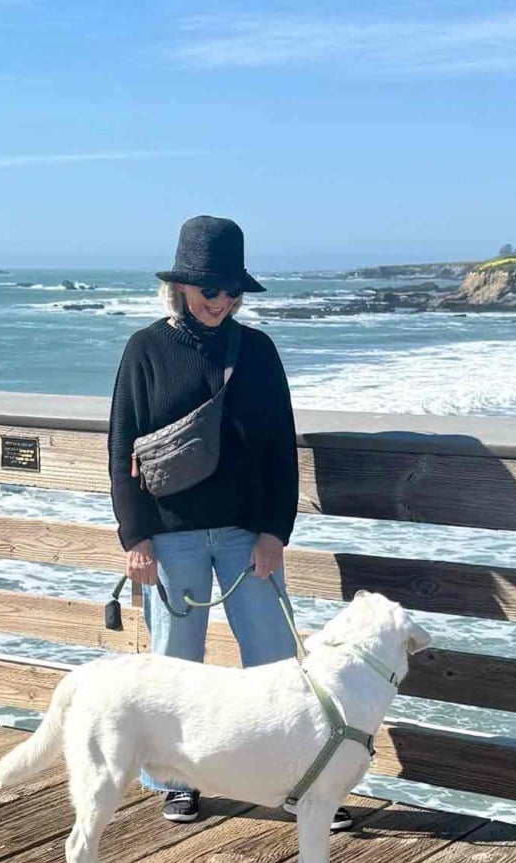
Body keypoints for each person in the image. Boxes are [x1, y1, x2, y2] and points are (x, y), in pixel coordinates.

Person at [108, 215, 353, 831]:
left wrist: (276, 531)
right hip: (171, 536)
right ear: (182, 287)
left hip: (248, 537)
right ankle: (173, 780)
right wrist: (135, 538)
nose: (219, 301)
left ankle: (293, 780)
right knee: (173, 667)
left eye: (229, 291)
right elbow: (122, 449)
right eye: (208, 289)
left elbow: (280, 451)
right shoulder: (145, 349)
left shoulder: (259, 351)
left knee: (275, 666)